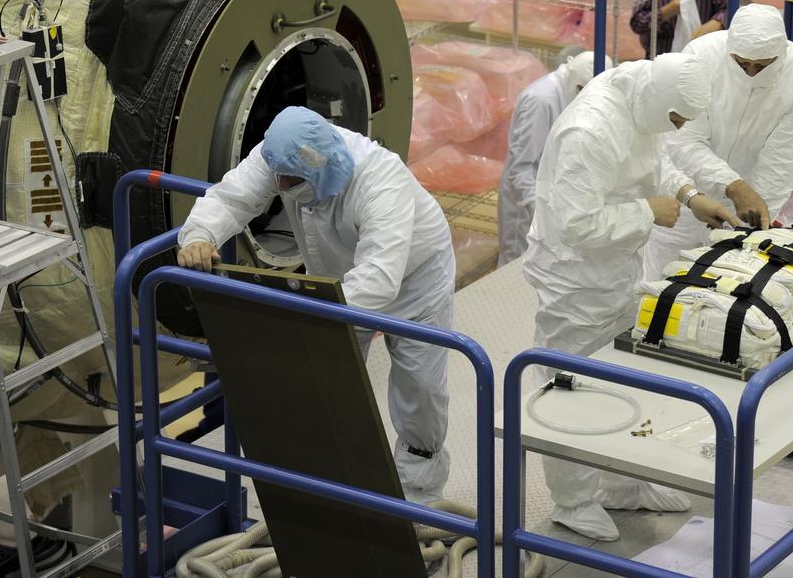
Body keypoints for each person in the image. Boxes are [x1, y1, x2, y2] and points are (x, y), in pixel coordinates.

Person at [176, 106, 454, 504]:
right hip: (340, 285)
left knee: (420, 388)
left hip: (416, 277)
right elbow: (232, 198)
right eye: (280, 180)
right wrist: (200, 235)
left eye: (292, 182)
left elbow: (379, 276)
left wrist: (305, 318)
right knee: (330, 385)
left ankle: (421, 497)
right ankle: (337, 485)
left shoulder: (380, 179)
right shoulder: (282, 153)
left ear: (320, 169)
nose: (282, 186)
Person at [523, 52, 741, 541]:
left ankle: (622, 484)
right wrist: (648, 212)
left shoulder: (641, 94)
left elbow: (653, 159)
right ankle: (573, 501)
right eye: (678, 118)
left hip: (617, 265)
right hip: (573, 280)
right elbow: (575, 225)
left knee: (622, 380)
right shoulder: (589, 131)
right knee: (570, 390)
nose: (679, 125)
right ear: (662, 101)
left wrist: (689, 196)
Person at [643, 4, 793, 280]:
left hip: (750, 199)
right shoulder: (700, 57)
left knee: (727, 287)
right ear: (729, 49)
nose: (750, 73)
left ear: (780, 55)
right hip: (685, 190)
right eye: (741, 63)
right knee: (662, 278)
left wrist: (750, 223)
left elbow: (783, 160)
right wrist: (732, 186)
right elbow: (683, 141)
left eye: (761, 66)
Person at [498, 48, 611, 266]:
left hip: (553, 200)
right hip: (527, 207)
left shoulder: (572, 91)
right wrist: (540, 212)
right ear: (578, 85)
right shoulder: (541, 100)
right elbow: (521, 168)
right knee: (518, 264)